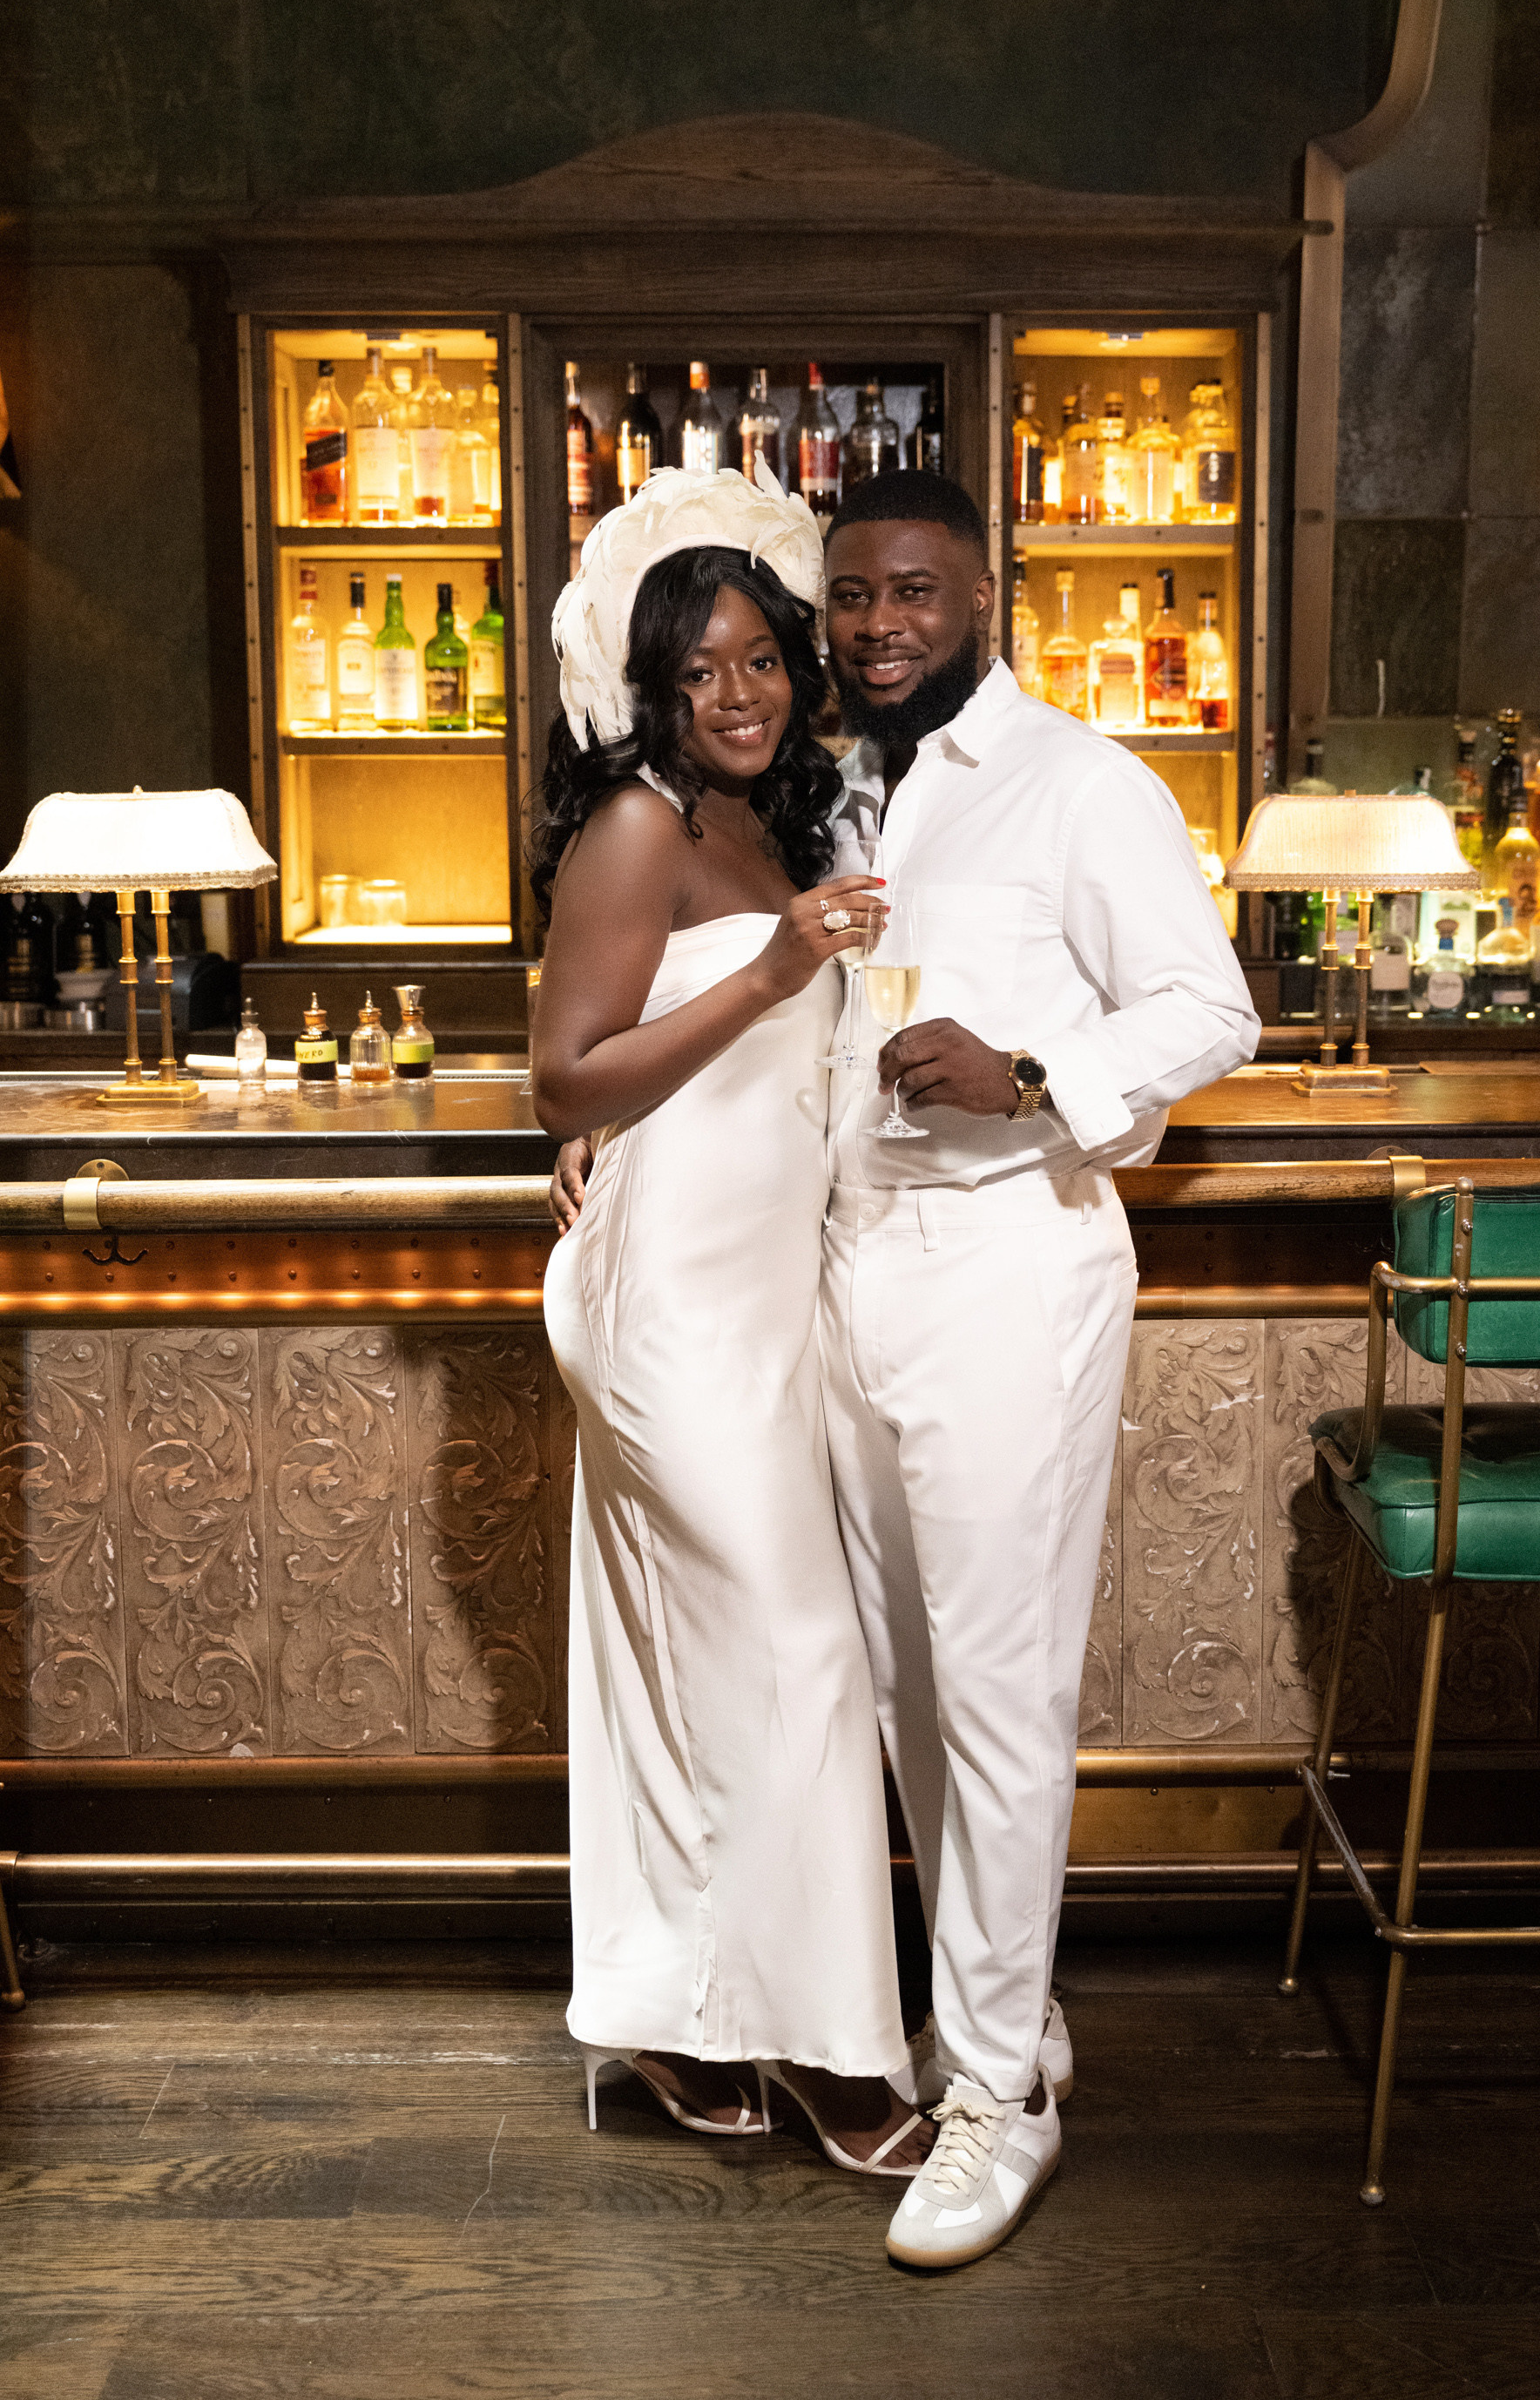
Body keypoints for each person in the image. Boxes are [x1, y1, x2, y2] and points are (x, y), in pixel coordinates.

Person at [816, 469, 1260, 2268]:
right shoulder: (831, 792)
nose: (878, 627)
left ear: (984, 591)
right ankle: (999, 2021)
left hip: (1011, 1268)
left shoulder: (1085, 784)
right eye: (850, 597)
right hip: (845, 1277)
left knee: (994, 1696)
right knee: (905, 1689)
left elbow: (1209, 1005)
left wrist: (1034, 1072)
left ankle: (997, 2099)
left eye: (912, 591)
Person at [532, 461, 929, 2176]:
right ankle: (839, 2058)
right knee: (797, 1649)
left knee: (697, 1666)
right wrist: (769, 975)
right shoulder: (636, 826)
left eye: (761, 657)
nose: (740, 693)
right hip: (669, 1303)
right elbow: (561, 1069)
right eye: (700, 672)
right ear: (652, 692)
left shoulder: (780, 823)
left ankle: (679, 2023)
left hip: (770, 1299)